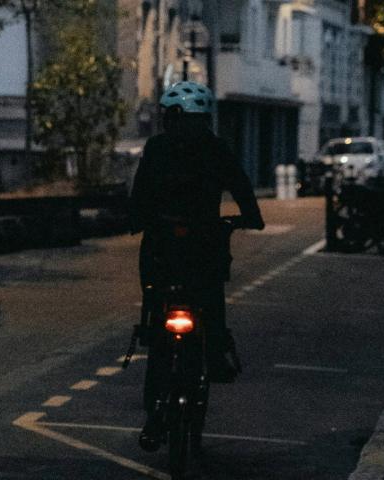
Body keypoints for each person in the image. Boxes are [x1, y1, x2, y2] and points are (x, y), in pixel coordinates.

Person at [129, 81, 265, 451]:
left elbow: (139, 193)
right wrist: (250, 217)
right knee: (210, 299)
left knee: (157, 324)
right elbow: (240, 185)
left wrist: (134, 219)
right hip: (204, 246)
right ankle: (216, 351)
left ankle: (155, 414)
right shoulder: (216, 147)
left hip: (161, 247)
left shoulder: (157, 147)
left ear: (171, 117)